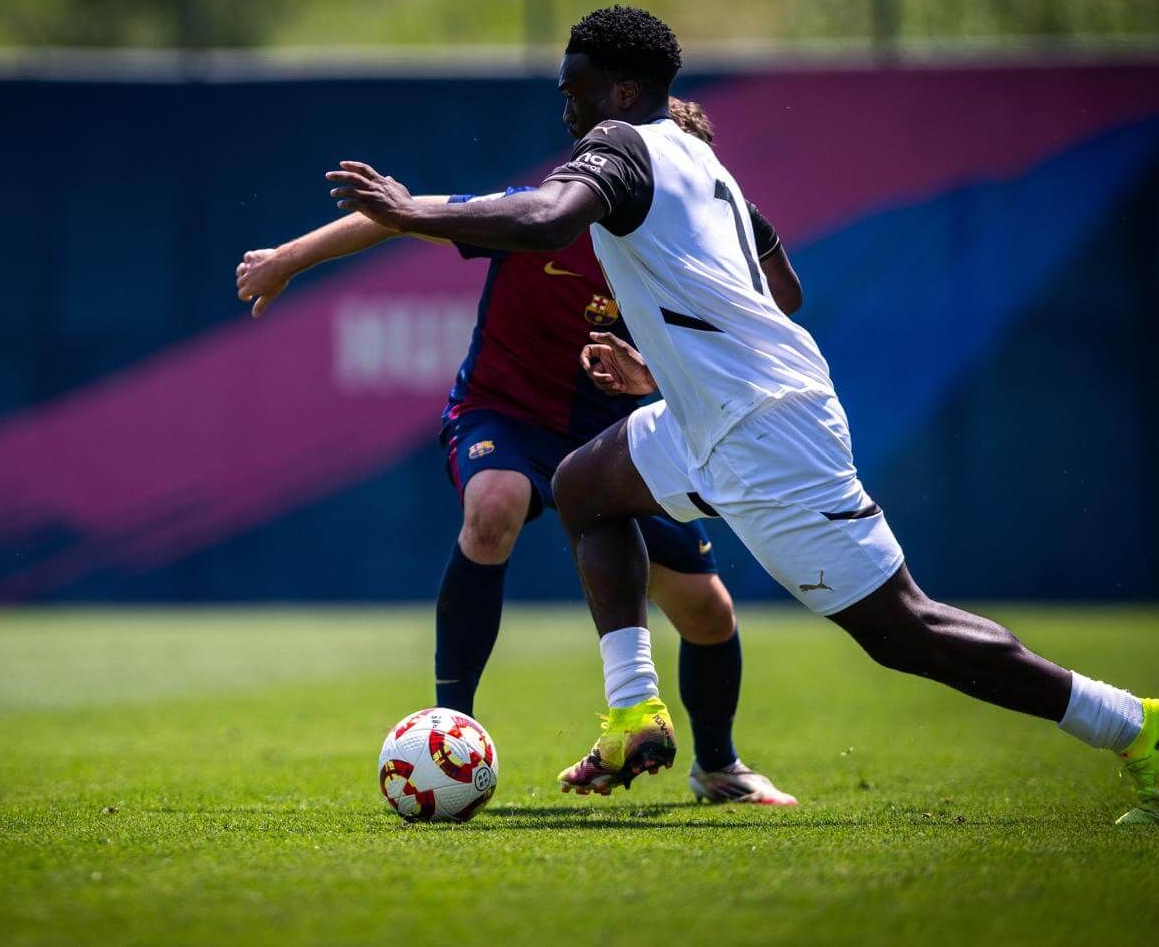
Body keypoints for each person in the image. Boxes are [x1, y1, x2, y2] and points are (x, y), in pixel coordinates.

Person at [322, 5, 1159, 825]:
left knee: (904, 630)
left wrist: (407, 211)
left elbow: (551, 220)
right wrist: (672, 357)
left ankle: (1130, 723)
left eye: (577, 86)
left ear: (623, 90)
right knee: (586, 486)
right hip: (710, 412)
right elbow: (784, 287)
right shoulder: (699, 160)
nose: (566, 105)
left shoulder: (622, 146)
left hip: (764, 427)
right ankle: (632, 711)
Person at [236, 98, 801, 805]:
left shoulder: (686, 259)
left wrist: (651, 373)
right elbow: (400, 214)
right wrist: (285, 261)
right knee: (494, 505)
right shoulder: (545, 214)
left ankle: (719, 768)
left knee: (707, 612)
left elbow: (773, 311)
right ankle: (450, 731)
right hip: (508, 415)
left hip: (611, 438)